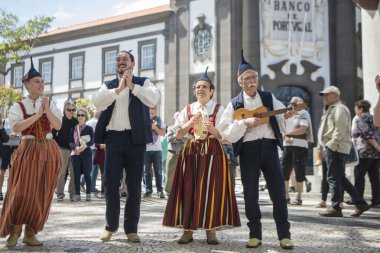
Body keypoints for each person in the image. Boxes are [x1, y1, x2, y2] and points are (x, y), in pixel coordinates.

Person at [218, 50, 294, 249]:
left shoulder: (269, 98)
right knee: (250, 194)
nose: (252, 81)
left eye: (254, 77)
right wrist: (244, 123)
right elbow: (224, 132)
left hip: (269, 149)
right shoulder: (234, 104)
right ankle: (255, 235)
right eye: (247, 78)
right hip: (248, 151)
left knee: (278, 193)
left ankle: (284, 235)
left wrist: (286, 116)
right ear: (240, 82)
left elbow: (281, 121)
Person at [163, 67, 240, 245]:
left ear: (212, 91)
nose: (200, 89)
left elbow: (223, 136)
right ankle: (187, 230)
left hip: (213, 150)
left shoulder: (220, 109)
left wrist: (211, 129)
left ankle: (211, 231)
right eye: (198, 87)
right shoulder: (188, 109)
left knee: (211, 190)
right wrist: (190, 122)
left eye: (205, 86)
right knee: (188, 189)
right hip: (191, 150)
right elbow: (178, 134)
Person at [93, 50, 159, 243]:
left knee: (134, 186)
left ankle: (131, 229)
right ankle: (110, 226)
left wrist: (132, 86)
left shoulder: (144, 82)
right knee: (110, 183)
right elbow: (97, 102)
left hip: (135, 140)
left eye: (125, 59)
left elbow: (153, 99)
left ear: (133, 63)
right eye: (118, 59)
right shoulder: (109, 84)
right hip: (113, 139)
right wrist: (119, 89)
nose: (121, 62)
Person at [0, 58, 62, 247]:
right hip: (28, 149)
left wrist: (46, 110)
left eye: (43, 81)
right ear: (27, 84)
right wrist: (37, 115)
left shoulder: (50, 103)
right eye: (37, 81)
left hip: (49, 150)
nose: (41, 84)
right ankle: (15, 230)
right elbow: (17, 127)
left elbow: (58, 125)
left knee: (43, 191)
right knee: (21, 191)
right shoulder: (18, 106)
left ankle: (30, 232)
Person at [317, 86, 370, 217]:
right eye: (323, 95)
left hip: (336, 148)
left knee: (333, 178)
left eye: (327, 95)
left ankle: (335, 207)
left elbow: (339, 130)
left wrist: (330, 145)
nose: (325, 97)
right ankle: (360, 203)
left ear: (336, 95)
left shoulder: (339, 108)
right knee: (340, 178)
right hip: (335, 147)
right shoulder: (333, 108)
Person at [281, 96, 313, 205]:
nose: (293, 105)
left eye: (296, 103)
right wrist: (285, 137)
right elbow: (282, 130)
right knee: (284, 170)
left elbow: (303, 130)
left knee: (299, 170)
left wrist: (289, 134)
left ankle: (299, 197)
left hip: (300, 145)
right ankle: (286, 196)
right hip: (287, 146)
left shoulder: (303, 113)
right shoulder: (287, 114)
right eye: (292, 103)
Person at [352, 100, 380, 207]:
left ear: (360, 108)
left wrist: (377, 146)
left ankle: (359, 200)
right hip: (376, 154)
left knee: (359, 176)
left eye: (356, 108)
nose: (355, 110)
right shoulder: (374, 118)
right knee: (374, 177)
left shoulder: (361, 119)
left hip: (364, 152)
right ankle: (376, 200)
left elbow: (367, 134)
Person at [53, 100, 78, 201]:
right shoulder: (60, 120)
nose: (71, 111)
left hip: (73, 150)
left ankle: (72, 193)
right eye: (69, 109)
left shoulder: (76, 121)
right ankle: (60, 193)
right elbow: (53, 134)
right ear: (65, 110)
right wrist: (57, 145)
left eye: (73, 110)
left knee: (73, 172)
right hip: (62, 149)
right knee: (62, 172)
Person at [69, 108, 94, 201]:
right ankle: (77, 195)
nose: (80, 117)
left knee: (87, 174)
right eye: (78, 115)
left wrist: (85, 146)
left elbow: (92, 141)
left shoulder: (89, 128)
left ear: (85, 117)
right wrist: (75, 148)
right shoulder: (73, 129)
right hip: (76, 155)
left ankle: (88, 194)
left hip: (86, 154)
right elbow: (70, 142)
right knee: (77, 175)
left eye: (82, 115)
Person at [143, 107, 166, 198]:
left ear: (155, 112)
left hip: (157, 150)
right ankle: (148, 190)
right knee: (147, 171)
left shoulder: (159, 120)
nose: (151, 115)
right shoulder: (143, 120)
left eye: (153, 113)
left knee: (158, 171)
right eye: (150, 113)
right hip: (146, 149)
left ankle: (160, 191)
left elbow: (163, 133)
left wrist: (155, 127)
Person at [164, 111, 186, 196]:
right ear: (174, 118)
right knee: (170, 174)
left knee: (182, 173)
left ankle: (180, 191)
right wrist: (178, 137)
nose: (178, 118)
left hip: (182, 153)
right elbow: (169, 139)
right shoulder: (170, 128)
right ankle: (168, 192)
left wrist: (178, 137)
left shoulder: (185, 129)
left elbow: (186, 139)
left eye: (179, 116)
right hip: (172, 153)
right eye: (177, 116)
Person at [80, 110, 100, 193]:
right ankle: (91, 186)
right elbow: (98, 136)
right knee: (94, 167)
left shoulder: (88, 122)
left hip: (87, 147)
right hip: (95, 147)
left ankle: (83, 182)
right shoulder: (98, 123)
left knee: (90, 167)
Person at [0, 117, 10, 200]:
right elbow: (5, 139)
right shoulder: (3, 122)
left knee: (12, 171)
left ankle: (9, 192)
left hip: (15, 148)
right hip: (4, 149)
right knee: (2, 171)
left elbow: (5, 138)